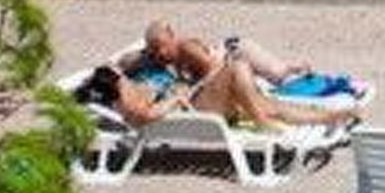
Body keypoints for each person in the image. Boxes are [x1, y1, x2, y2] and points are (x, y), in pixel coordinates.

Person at [73, 58, 349, 129]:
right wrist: (175, 97)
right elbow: (149, 115)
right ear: (113, 84)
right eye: (118, 75)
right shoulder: (128, 103)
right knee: (237, 67)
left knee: (267, 103)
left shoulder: (127, 90)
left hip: (194, 100)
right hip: (196, 112)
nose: (123, 74)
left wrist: (182, 86)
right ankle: (262, 122)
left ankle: (328, 117)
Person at [134, 19, 307, 88]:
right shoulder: (165, 56)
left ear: (172, 37)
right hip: (228, 53)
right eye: (155, 49)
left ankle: (297, 66)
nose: (160, 52)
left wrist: (193, 87)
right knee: (270, 77)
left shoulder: (186, 48)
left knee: (278, 75)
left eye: (162, 46)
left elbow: (214, 68)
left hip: (238, 51)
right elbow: (134, 61)